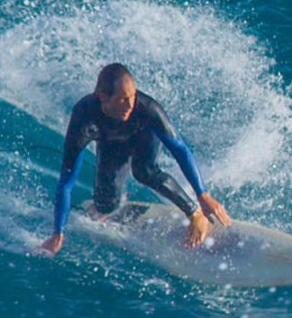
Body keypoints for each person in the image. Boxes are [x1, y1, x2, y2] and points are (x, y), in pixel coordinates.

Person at [39, 63, 231, 256]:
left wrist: (203, 195)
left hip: (143, 134)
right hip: (111, 142)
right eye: (122, 99)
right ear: (104, 97)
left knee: (144, 171)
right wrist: (57, 235)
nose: (130, 104)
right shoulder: (84, 117)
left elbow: (180, 149)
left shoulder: (147, 109)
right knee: (106, 205)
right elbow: (66, 181)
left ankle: (195, 214)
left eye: (132, 96)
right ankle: (113, 202)